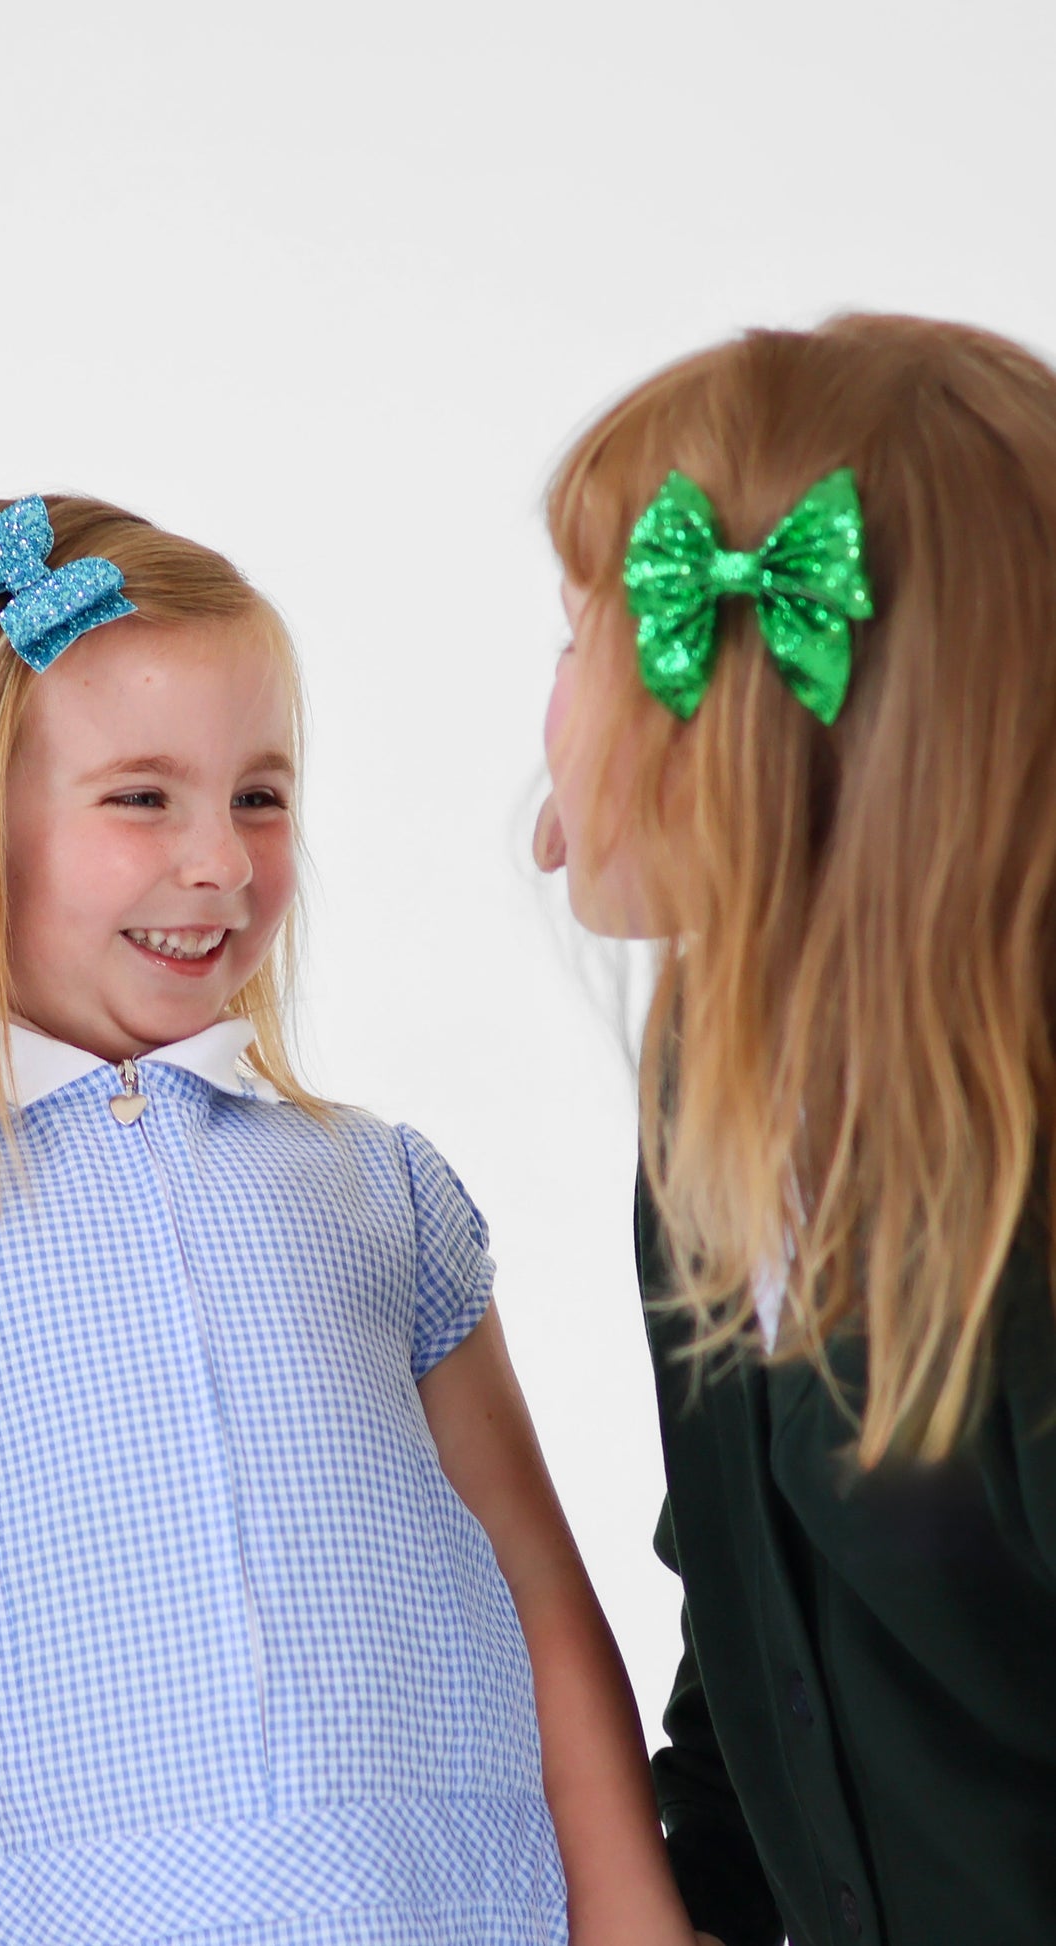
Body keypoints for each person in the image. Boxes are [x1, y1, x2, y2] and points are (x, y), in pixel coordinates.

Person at [0, 494, 692, 1943]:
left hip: (452, 1907)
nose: (223, 863)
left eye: (260, 794)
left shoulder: (377, 1189)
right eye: (140, 798)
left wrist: (633, 1918)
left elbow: (533, 1574)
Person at [536, 314, 1056, 1946]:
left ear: (728, 707)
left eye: (571, 637)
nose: (545, 703)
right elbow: (758, 1605)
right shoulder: (715, 1089)